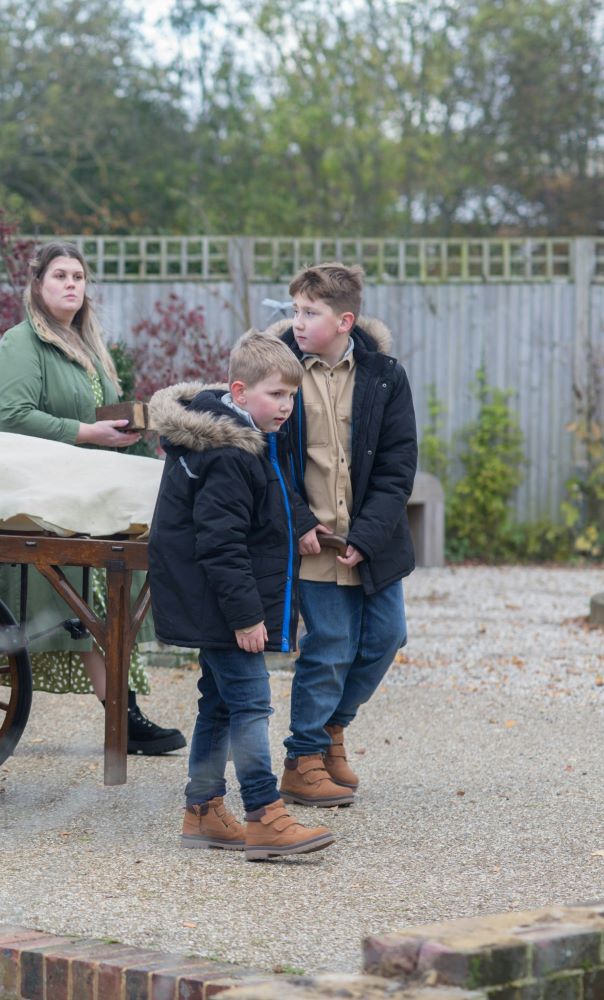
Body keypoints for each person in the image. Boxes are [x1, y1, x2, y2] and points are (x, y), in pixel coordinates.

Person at [0, 241, 183, 755]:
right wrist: (89, 433)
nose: (71, 284)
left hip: (84, 499)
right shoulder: (21, 344)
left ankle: (123, 715)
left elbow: (94, 417)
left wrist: (122, 430)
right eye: (60, 275)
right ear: (38, 286)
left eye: (79, 277)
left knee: (97, 603)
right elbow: (11, 416)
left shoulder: (88, 348)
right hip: (34, 499)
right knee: (29, 606)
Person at [149, 331, 334, 860]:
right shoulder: (229, 453)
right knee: (251, 704)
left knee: (221, 704)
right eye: (277, 395)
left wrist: (298, 522)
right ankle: (264, 815)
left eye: (292, 396)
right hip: (224, 605)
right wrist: (247, 616)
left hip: (216, 602)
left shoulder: (242, 436)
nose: (286, 406)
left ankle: (203, 810)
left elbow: (272, 487)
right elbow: (221, 543)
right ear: (239, 389)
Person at [272, 263, 417, 806]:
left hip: (373, 541)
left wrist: (371, 533)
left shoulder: (384, 376)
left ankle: (332, 729)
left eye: (311, 312)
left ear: (344, 320)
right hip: (311, 541)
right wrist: (300, 521)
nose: (299, 321)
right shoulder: (279, 370)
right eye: (295, 311)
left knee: (386, 636)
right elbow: (268, 459)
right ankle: (303, 759)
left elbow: (398, 464)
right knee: (330, 644)